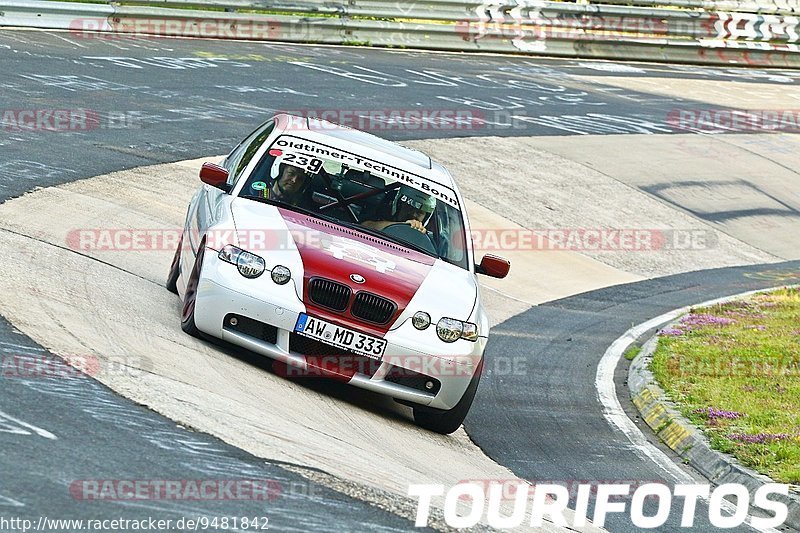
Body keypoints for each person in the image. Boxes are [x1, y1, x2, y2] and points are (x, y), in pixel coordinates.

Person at [363, 185, 436, 234]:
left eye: (420, 212)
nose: (413, 214)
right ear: (399, 205)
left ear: (426, 217)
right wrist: (403, 225)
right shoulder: (384, 210)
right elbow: (365, 226)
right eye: (409, 207)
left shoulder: (432, 233)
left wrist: (421, 236)